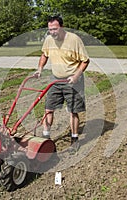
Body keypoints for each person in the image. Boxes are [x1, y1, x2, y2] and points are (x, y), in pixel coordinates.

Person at [34, 15, 90, 153]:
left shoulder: (74, 40)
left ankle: (74, 139)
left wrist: (76, 76)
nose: (52, 32)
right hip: (55, 79)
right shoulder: (48, 40)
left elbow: (85, 60)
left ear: (62, 27)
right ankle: (45, 137)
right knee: (49, 108)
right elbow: (44, 55)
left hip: (72, 80)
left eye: (54, 29)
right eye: (50, 29)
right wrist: (39, 69)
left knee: (73, 111)